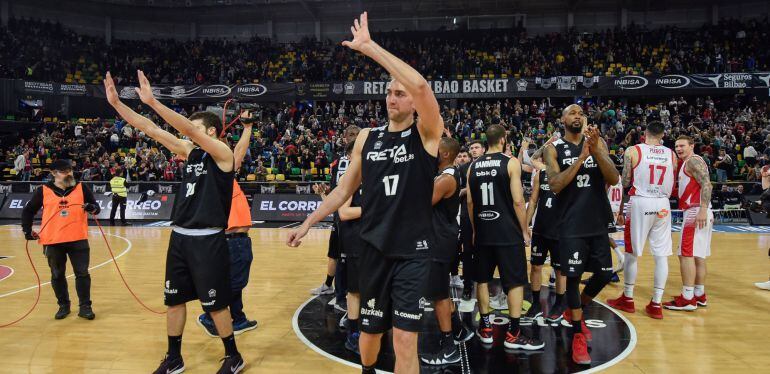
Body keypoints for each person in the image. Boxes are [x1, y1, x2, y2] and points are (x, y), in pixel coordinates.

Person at [287, 12, 444, 374]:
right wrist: (309, 221)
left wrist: (370, 48)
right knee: (369, 339)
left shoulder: (427, 134)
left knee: (405, 340)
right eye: (389, 92)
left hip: (412, 253)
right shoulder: (366, 138)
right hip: (372, 248)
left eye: (399, 93)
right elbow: (344, 190)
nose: (393, 97)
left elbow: (421, 87)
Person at [104, 71, 244, 373]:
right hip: (180, 237)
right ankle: (174, 357)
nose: (186, 134)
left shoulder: (223, 154)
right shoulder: (189, 153)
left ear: (211, 132)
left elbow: (184, 131)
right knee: (174, 300)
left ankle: (233, 355)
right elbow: (151, 129)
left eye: (194, 129)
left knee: (216, 303)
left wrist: (154, 101)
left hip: (208, 239)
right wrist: (117, 105)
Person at [543, 104, 620, 365]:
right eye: (572, 113)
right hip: (570, 225)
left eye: (581, 114)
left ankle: (577, 310)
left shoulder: (599, 144)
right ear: (563, 119)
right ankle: (577, 333)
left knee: (604, 274)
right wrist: (581, 156)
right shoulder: (553, 148)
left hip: (597, 222)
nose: (577, 116)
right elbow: (554, 185)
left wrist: (596, 151)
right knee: (573, 278)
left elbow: (614, 177)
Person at [467, 124, 544, 350]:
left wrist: (474, 229)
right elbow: (518, 201)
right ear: (502, 140)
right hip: (507, 232)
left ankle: (486, 328)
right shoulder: (510, 162)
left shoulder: (473, 166)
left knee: (482, 279)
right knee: (515, 282)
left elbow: (470, 202)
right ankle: (513, 333)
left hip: (482, 232)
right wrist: (524, 230)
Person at [197, 117, 258, 338]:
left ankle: (238, 318)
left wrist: (247, 128)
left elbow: (237, 154)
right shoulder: (219, 172)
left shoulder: (212, 171)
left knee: (233, 282)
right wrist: (248, 128)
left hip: (231, 239)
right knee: (234, 282)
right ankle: (211, 315)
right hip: (231, 240)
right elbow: (239, 154)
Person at [607, 121, 676, 319]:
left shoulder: (633, 150)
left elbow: (626, 180)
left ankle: (627, 298)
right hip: (663, 203)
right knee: (661, 255)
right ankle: (656, 303)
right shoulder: (671, 154)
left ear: (645, 134)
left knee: (632, 252)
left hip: (641, 201)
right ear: (663, 135)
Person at [21, 159, 100, 320]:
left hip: (78, 239)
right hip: (52, 240)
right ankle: (63, 305)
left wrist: (92, 208)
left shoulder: (81, 187)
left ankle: (85, 306)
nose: (69, 173)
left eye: (70, 170)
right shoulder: (43, 190)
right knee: (57, 275)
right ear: (53, 173)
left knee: (82, 274)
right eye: (64, 171)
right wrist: (27, 230)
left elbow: (95, 207)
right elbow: (28, 211)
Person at [421, 137, 473, 366]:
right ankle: (459, 330)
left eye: (435, 149)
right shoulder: (448, 173)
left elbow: (420, 203)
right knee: (439, 291)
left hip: (439, 240)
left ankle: (449, 346)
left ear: (443, 154)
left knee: (439, 295)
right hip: (442, 236)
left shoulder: (445, 179)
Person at [663, 136, 714, 311]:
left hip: (695, 211)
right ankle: (699, 294)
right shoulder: (689, 163)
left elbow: (707, 184)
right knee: (698, 255)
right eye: (676, 146)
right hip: (701, 210)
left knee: (685, 255)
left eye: (682, 145)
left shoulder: (692, 161)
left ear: (691, 146)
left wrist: (701, 209)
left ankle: (687, 298)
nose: (678, 149)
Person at [525, 148, 566, 322]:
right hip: (541, 228)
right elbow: (533, 200)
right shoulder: (540, 175)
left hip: (560, 230)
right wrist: (525, 225)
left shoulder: (567, 174)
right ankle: (535, 304)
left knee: (559, 270)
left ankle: (559, 304)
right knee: (535, 267)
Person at [337, 141, 363, 354]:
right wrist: (374, 209)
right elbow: (344, 213)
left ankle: (373, 325)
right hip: (355, 239)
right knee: (354, 290)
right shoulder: (351, 178)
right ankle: (353, 333)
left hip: (376, 239)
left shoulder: (377, 176)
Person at [457, 140, 485, 300]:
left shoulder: (490, 166)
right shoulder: (462, 169)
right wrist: (468, 189)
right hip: (467, 215)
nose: (473, 150)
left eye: (476, 148)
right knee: (467, 252)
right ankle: (467, 286)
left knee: (485, 252)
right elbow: (456, 191)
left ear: (483, 149)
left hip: (485, 215)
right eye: (471, 148)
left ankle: (483, 285)